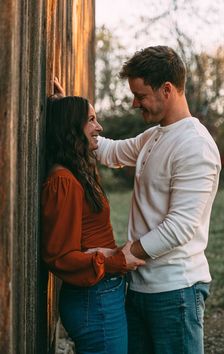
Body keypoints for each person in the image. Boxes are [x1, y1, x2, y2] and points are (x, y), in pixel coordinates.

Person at [94, 46, 221, 354]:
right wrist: (70, 116)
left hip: (175, 293)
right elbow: (109, 152)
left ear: (167, 90)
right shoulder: (154, 136)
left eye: (141, 95)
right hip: (139, 287)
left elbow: (179, 227)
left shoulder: (195, 146)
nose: (135, 103)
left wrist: (124, 255)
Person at [41, 95, 145, 354]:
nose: (99, 127)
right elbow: (59, 256)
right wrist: (113, 261)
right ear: (71, 127)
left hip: (100, 294)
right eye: (91, 120)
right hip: (93, 298)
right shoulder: (63, 182)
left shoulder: (77, 171)